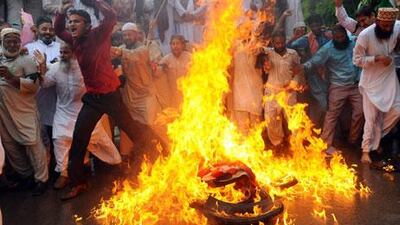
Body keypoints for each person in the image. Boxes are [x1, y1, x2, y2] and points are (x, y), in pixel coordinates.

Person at [54, 0, 163, 200]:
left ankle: (159, 149)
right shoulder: (75, 40)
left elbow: (111, 17)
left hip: (111, 95)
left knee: (132, 128)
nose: (71, 25)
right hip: (93, 99)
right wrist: (61, 12)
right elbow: (58, 30)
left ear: (87, 25)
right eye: (70, 22)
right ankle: (78, 183)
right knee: (79, 139)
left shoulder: (98, 35)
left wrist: (95, 2)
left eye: (76, 22)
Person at [35, 43, 121, 189]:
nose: (62, 55)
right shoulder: (56, 68)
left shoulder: (85, 68)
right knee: (60, 142)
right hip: (63, 114)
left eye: (66, 52)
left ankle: (117, 163)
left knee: (102, 142)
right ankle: (64, 174)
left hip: (84, 113)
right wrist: (42, 66)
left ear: (74, 53)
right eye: (61, 52)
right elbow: (44, 84)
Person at [0, 28, 48, 195]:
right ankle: (26, 176)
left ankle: (41, 179)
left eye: (15, 41)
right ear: (2, 42)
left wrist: (11, 78)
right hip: (4, 112)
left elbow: (34, 86)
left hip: (23, 110)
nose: (12, 44)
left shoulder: (26, 60)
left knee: (33, 145)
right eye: (8, 41)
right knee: (10, 146)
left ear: (20, 43)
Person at [303, 25, 363, 154]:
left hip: (356, 85)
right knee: (331, 115)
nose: (340, 40)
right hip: (338, 86)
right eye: (337, 38)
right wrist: (302, 67)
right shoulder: (327, 49)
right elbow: (314, 61)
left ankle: (353, 140)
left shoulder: (354, 42)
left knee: (360, 112)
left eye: (342, 37)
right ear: (333, 38)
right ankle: (325, 145)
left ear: (346, 35)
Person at [353, 7, 400, 164]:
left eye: (390, 26)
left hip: (389, 78)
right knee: (371, 118)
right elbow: (357, 60)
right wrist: (376, 58)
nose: (388, 29)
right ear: (378, 21)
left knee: (397, 110)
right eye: (384, 26)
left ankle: (377, 139)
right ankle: (366, 150)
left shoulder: (397, 26)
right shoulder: (365, 35)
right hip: (371, 82)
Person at [289, 14, 331, 128]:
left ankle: (317, 129)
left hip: (330, 73)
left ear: (321, 25)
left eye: (318, 25)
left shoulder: (328, 36)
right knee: (322, 105)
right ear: (310, 27)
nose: (316, 28)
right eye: (313, 26)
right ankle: (316, 129)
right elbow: (290, 46)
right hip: (314, 75)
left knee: (328, 105)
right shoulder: (306, 39)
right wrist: (303, 57)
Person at [25, 16, 59, 157]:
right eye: (44, 29)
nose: (48, 32)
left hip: (57, 98)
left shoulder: (60, 48)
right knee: (40, 139)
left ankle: (56, 170)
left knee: (56, 138)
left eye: (51, 29)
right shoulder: (28, 48)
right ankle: (42, 172)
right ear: (37, 30)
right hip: (37, 100)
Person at [263, 31, 304, 148]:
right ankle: (278, 144)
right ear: (273, 42)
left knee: (294, 120)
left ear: (285, 41)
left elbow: (298, 70)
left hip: (289, 92)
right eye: (277, 43)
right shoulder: (268, 52)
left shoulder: (293, 54)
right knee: (271, 120)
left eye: (281, 43)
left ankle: (297, 146)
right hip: (272, 92)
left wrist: (294, 84)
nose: (279, 45)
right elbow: (257, 48)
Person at [231, 41, 264, 134]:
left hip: (255, 92)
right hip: (239, 92)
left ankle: (256, 147)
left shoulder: (259, 46)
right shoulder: (234, 46)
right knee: (242, 128)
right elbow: (231, 69)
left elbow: (264, 64)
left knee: (256, 128)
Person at [158, 34, 191, 109]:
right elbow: (158, 72)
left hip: (188, 94)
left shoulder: (190, 57)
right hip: (172, 95)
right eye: (173, 44)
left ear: (182, 45)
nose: (175, 46)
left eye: (177, 43)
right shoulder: (166, 59)